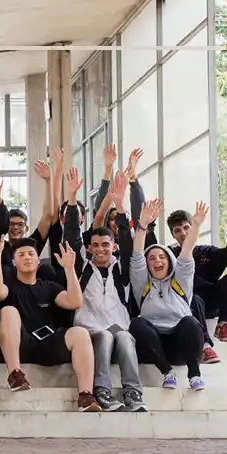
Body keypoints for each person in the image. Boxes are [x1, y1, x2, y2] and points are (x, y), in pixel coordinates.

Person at [0, 231, 100, 411]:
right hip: (19, 345)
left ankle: (86, 395)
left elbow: (75, 302)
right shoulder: (8, 284)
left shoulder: (48, 286)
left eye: (31, 254)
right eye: (21, 255)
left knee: (80, 333)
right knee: (8, 311)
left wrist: (70, 269)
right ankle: (15, 374)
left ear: (39, 261)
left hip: (47, 344)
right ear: (14, 262)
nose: (27, 258)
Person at [72, 173, 147, 412]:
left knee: (125, 337)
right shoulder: (82, 267)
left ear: (112, 246)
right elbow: (71, 236)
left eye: (106, 244)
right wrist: (72, 198)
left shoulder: (121, 268)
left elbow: (126, 238)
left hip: (118, 325)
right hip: (90, 327)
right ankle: (102, 391)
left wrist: (119, 204)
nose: (101, 249)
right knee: (103, 336)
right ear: (89, 248)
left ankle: (133, 392)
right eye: (96, 245)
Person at [129, 198, 207, 392]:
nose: (157, 261)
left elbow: (187, 250)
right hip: (155, 346)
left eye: (162, 257)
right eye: (152, 258)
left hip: (181, 343)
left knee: (191, 321)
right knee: (137, 323)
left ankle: (195, 375)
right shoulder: (143, 284)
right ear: (147, 265)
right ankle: (167, 373)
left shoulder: (181, 280)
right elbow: (138, 254)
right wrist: (143, 225)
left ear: (170, 261)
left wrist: (195, 225)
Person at [166, 208, 227, 344]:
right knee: (195, 299)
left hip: (211, 302)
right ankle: (204, 343)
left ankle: (222, 325)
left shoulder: (207, 251)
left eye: (186, 228)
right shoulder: (169, 256)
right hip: (188, 304)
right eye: (177, 230)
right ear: (173, 236)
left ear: (193, 227)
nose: (183, 233)